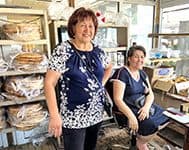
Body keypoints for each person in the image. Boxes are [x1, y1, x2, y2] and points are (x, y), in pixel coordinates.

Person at [44, 7, 112, 150]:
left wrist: (100, 84)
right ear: (73, 28)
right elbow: (49, 83)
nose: (87, 30)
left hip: (96, 114)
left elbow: (109, 67)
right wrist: (54, 115)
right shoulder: (63, 50)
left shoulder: (99, 50)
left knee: (90, 147)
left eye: (91, 26)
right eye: (83, 25)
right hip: (73, 118)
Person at [111, 45, 169, 150]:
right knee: (150, 124)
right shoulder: (122, 73)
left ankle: (141, 139)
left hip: (142, 105)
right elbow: (117, 99)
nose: (140, 60)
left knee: (166, 116)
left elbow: (150, 94)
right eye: (136, 57)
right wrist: (131, 117)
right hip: (128, 107)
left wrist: (146, 107)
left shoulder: (142, 73)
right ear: (129, 58)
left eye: (142, 57)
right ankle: (141, 143)